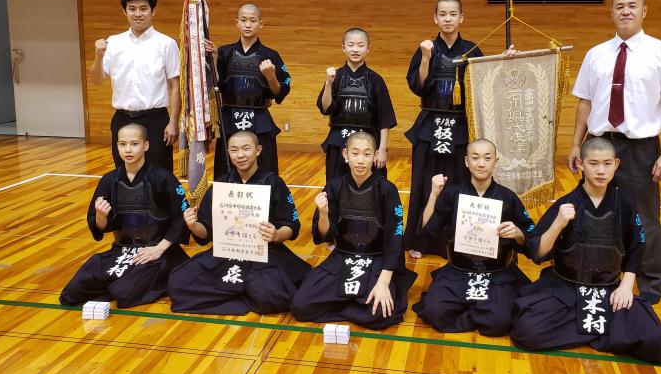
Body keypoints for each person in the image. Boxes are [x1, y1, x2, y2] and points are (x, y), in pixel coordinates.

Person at [567, 0, 661, 304]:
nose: (626, 11)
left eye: (632, 5)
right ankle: (597, 271)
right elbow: (584, 102)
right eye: (620, 6)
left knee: (644, 217)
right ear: (611, 13)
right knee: (594, 211)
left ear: (644, 11)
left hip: (640, 148)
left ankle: (651, 285)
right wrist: (576, 145)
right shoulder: (595, 54)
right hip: (598, 144)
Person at [510, 137, 661, 363]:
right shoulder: (566, 204)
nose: (601, 171)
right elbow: (537, 253)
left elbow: (636, 248)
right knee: (526, 332)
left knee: (657, 343)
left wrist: (626, 287)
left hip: (608, 290)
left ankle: (583, 328)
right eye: (593, 163)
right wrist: (558, 224)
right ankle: (605, 330)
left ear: (616, 164)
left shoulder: (625, 204)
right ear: (580, 164)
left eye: (607, 164)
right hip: (566, 288)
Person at [167, 130, 310, 315]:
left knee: (271, 296)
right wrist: (193, 225)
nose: (240, 155)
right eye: (234, 150)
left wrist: (276, 234)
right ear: (228, 153)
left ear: (258, 150)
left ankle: (232, 294)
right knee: (178, 282)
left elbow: (291, 224)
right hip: (228, 251)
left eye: (246, 149)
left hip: (264, 252)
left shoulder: (274, 182)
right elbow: (206, 231)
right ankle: (241, 295)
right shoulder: (221, 185)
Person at [291, 131, 417, 330]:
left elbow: (395, 238)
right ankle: (353, 305)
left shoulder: (387, 189)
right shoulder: (334, 186)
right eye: (355, 153)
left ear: (375, 156)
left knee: (380, 314)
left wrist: (384, 283)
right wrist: (323, 213)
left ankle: (342, 303)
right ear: (345, 154)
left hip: (376, 260)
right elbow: (325, 235)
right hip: (343, 257)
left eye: (366, 154)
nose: (360, 160)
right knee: (301, 306)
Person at [412, 139, 536, 337]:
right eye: (475, 158)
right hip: (458, 270)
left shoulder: (508, 197)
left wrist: (518, 234)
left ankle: (479, 309)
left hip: (497, 272)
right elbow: (428, 229)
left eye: (487, 158)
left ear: (496, 161)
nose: (481, 164)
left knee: (499, 323)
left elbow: (530, 235)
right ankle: (481, 311)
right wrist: (434, 194)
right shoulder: (452, 194)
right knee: (436, 311)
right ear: (466, 161)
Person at [59, 123, 190, 308]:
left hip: (157, 251)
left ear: (146, 145)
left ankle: (161, 276)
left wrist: (159, 249)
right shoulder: (109, 180)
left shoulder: (164, 178)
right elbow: (98, 226)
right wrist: (101, 217)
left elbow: (181, 217)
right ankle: (117, 283)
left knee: (124, 293)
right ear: (117, 146)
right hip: (122, 249)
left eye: (134, 144)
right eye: (122, 144)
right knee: (72, 293)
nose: (128, 149)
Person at [404, 0, 486, 259]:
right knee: (423, 183)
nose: (447, 18)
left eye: (452, 14)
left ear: (461, 17)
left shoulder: (472, 50)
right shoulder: (426, 48)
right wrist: (426, 58)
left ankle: (456, 241)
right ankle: (420, 240)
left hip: (460, 125)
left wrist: (505, 60)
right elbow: (418, 86)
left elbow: (486, 83)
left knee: (459, 183)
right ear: (435, 18)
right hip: (430, 124)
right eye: (442, 14)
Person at [90, 0, 181, 172]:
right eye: (132, 9)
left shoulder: (166, 44)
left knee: (159, 173)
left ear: (153, 11)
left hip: (156, 120)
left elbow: (175, 86)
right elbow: (97, 79)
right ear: (125, 11)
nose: (137, 14)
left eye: (143, 9)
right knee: (124, 174)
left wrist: (173, 122)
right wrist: (98, 56)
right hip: (122, 119)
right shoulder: (113, 42)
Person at [208, 3, 291, 179]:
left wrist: (271, 76)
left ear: (261, 24)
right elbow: (216, 85)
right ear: (236, 23)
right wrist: (214, 59)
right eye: (243, 20)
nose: (248, 25)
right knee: (226, 170)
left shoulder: (271, 55)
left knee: (265, 170)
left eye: (253, 21)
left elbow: (280, 92)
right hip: (229, 118)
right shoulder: (224, 52)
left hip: (259, 119)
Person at [317, 27, 397, 185]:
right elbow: (325, 109)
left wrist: (382, 149)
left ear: (368, 48)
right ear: (343, 48)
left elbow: (385, 118)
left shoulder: (376, 80)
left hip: (368, 141)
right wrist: (328, 83)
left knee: (373, 186)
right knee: (336, 184)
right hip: (339, 141)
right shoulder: (335, 77)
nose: (355, 49)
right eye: (351, 45)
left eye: (360, 45)